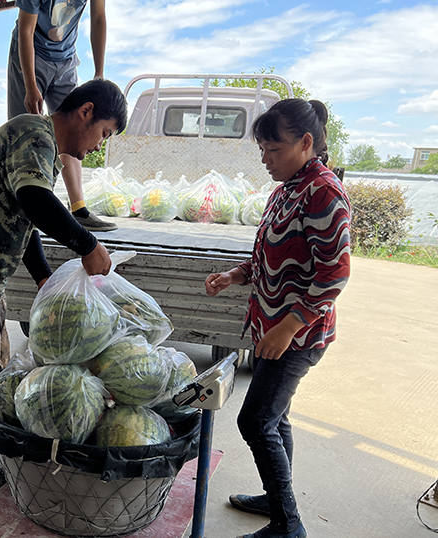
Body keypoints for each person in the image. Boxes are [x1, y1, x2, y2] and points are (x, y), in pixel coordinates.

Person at [0, 78, 127, 494]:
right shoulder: (35, 132)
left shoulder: (42, 148)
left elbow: (26, 215)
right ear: (85, 112)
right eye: (103, 133)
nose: (97, 146)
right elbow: (34, 198)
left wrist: (42, 274)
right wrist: (87, 244)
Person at [204, 99, 351, 538]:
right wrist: (234, 275)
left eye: (274, 150)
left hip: (299, 336)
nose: (266, 160)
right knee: (276, 416)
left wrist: (288, 327)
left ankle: (288, 524)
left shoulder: (324, 192)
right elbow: (271, 256)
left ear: (306, 143)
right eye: (262, 150)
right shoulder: (286, 188)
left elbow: (334, 273)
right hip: (273, 330)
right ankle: (276, 497)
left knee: (255, 420)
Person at [7, 0, 116, 232]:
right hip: (30, 53)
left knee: (77, 127)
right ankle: (20, 208)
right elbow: (26, 29)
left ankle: (79, 208)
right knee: (26, 131)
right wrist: (30, 85)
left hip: (65, 58)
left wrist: (99, 72)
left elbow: (98, 18)